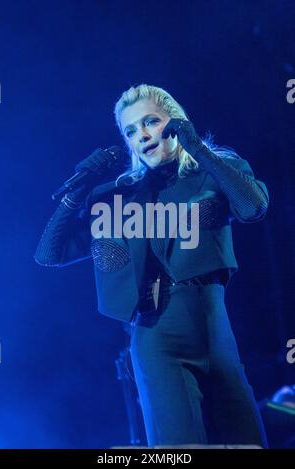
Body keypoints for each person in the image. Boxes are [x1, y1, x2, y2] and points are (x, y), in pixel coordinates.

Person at [35, 84, 269, 448]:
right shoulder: (122, 197)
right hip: (157, 338)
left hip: (217, 334)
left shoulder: (216, 170)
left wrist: (198, 148)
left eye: (150, 122)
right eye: (130, 130)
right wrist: (77, 190)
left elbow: (253, 208)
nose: (141, 135)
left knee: (249, 444)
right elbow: (49, 253)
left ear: (174, 121)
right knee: (179, 453)